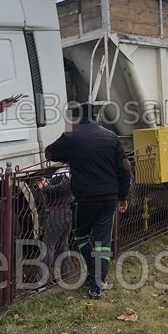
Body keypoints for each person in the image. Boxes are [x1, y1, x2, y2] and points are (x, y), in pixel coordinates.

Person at [44, 103, 132, 300]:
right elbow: (126, 168)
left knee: (80, 236)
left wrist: (68, 148)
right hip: (109, 198)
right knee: (102, 243)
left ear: (75, 118)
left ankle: (94, 276)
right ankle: (97, 283)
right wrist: (122, 196)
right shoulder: (111, 137)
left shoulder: (72, 137)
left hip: (85, 199)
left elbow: (50, 154)